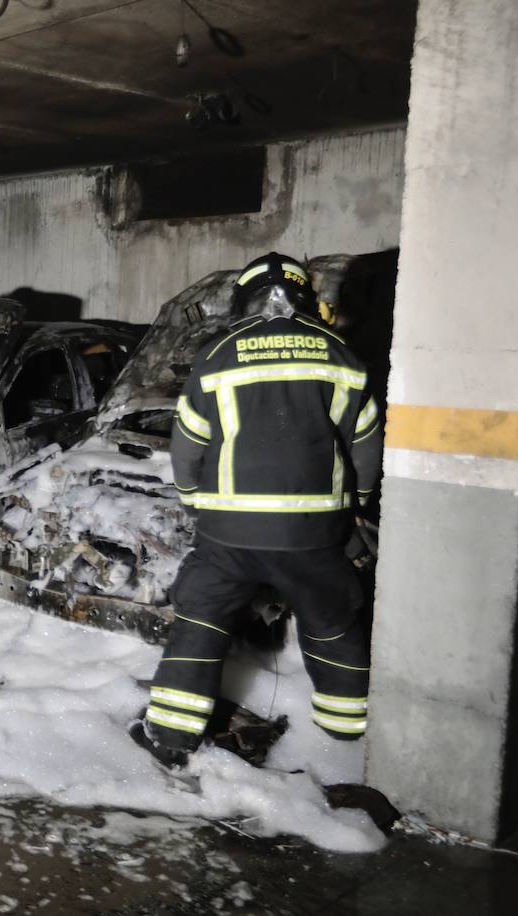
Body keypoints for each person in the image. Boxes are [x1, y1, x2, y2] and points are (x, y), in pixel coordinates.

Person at [131, 252, 384, 768]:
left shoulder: (218, 354)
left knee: (199, 622)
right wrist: (355, 505)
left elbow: (188, 444)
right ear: (307, 297)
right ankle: (345, 732)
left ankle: (172, 735)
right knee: (331, 621)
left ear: (242, 299)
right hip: (315, 535)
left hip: (228, 537)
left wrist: (193, 498)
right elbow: (366, 442)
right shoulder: (342, 356)